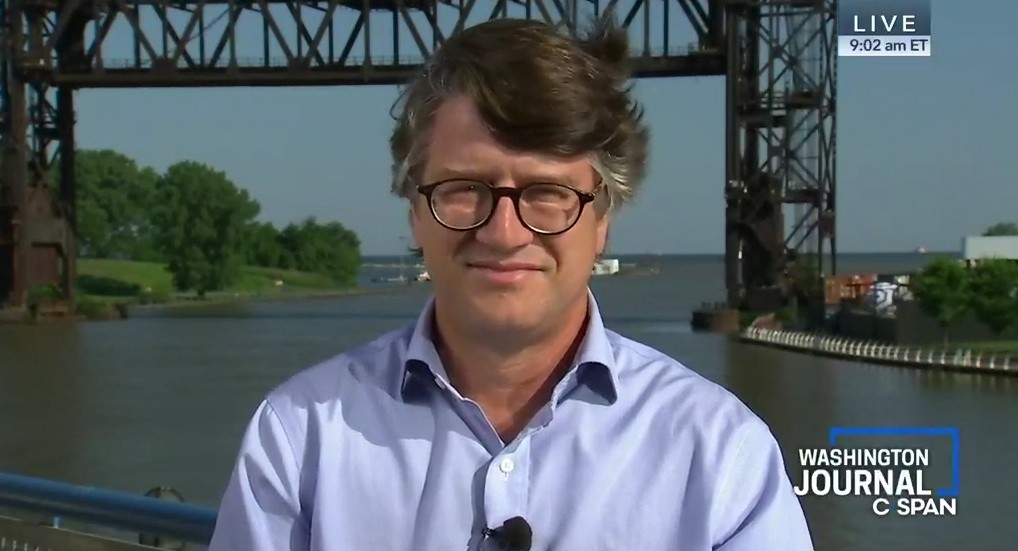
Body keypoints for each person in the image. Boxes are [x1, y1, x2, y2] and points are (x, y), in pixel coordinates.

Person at [207, 16, 814, 551]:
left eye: (548, 193)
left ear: (603, 217)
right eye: (464, 189)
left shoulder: (720, 454)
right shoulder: (298, 437)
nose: (503, 231)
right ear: (415, 211)